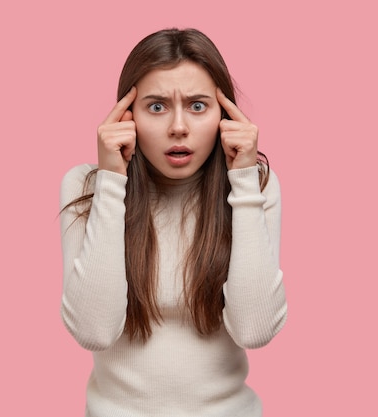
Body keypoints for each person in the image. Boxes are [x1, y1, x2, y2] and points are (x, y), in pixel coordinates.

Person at [59, 28, 287, 417]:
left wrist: (244, 181)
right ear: (126, 116)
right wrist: (112, 182)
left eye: (198, 106)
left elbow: (254, 329)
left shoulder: (255, 185)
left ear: (225, 114)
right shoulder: (87, 186)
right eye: (157, 106)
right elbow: (93, 331)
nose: (178, 127)